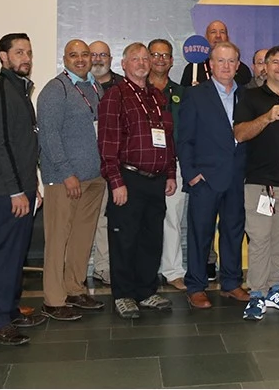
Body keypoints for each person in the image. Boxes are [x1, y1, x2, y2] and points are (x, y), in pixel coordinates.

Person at [98, 43, 177, 318]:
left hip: (156, 180)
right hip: (128, 179)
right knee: (125, 240)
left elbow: (167, 138)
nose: (142, 63)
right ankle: (123, 294)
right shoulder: (115, 96)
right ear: (124, 64)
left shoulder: (157, 96)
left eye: (146, 58)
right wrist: (116, 181)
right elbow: (107, 143)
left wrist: (170, 173)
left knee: (151, 239)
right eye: (136, 58)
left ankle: (146, 291)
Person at [0, 33, 47, 345]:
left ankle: (9, 310)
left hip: (22, 187)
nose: (26, 58)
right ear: (3, 57)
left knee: (16, 254)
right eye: (19, 52)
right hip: (6, 191)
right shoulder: (2, 93)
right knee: (5, 255)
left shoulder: (19, 90)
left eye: (29, 52)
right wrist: (15, 191)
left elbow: (23, 146)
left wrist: (32, 184)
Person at [233, 46, 279, 320]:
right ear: (265, 67)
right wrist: (267, 117)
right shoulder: (250, 97)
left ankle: (274, 288)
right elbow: (239, 133)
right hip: (260, 183)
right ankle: (256, 294)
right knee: (260, 239)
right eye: (276, 62)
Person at [37, 40, 107, 322]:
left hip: (94, 177)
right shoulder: (56, 90)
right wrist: (66, 172)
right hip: (64, 179)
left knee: (82, 238)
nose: (80, 59)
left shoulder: (95, 88)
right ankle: (53, 300)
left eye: (85, 54)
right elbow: (48, 136)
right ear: (64, 59)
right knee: (58, 239)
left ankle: (74, 288)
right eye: (73, 55)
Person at [178, 41, 249, 309]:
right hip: (205, 178)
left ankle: (231, 282)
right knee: (200, 234)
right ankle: (196, 286)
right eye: (220, 61)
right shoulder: (196, 95)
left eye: (231, 61)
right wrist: (191, 174)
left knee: (233, 231)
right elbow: (184, 139)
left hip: (237, 177)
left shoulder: (246, 95)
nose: (226, 66)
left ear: (238, 65)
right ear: (210, 65)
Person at [148, 39, 187, 291]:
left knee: (173, 218)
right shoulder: (137, 91)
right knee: (146, 219)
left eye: (166, 55)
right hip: (144, 164)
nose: (161, 59)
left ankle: (173, 271)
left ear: (172, 61)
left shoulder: (182, 92)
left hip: (175, 164)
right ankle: (147, 270)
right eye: (155, 54)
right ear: (148, 59)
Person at [88, 39, 121, 285]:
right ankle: (88, 267)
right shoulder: (77, 85)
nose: (98, 59)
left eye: (103, 55)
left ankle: (106, 266)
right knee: (93, 216)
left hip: (117, 161)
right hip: (86, 162)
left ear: (111, 59)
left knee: (111, 217)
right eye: (94, 55)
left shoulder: (122, 86)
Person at [180, 20, 253, 87]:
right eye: (213, 32)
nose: (218, 36)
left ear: (227, 38)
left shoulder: (241, 69)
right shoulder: (193, 68)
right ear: (206, 38)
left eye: (222, 32)